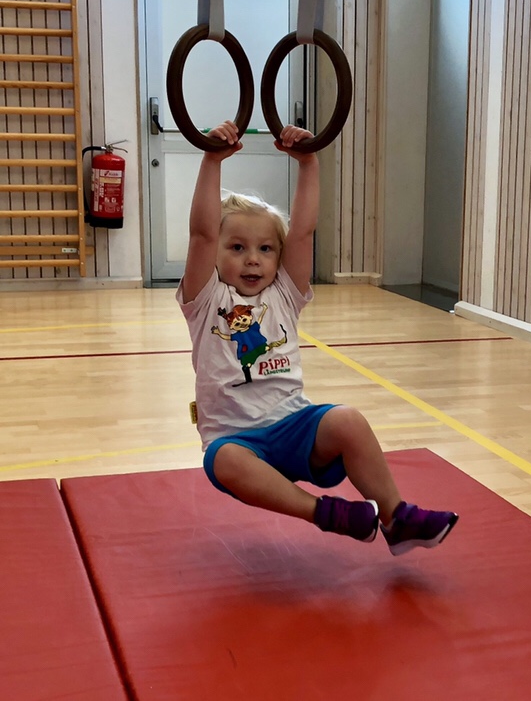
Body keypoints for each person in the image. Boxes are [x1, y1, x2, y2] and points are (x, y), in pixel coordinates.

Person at [177, 120, 458, 555]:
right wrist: (212, 160)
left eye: (265, 249)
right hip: (238, 439)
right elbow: (201, 232)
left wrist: (309, 164)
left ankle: (397, 518)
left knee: (348, 419)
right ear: (215, 252)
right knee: (224, 459)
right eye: (236, 247)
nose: (253, 260)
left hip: (295, 426)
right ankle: (325, 513)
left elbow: (303, 231)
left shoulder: (285, 294)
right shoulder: (205, 298)